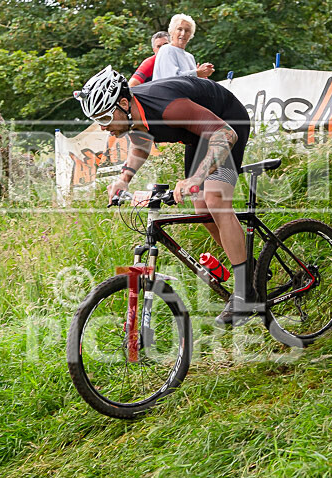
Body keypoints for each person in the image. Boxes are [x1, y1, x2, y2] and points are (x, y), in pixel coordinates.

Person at [73, 66, 253, 324]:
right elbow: (141, 144)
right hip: (198, 136)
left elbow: (225, 135)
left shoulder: (167, 107)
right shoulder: (133, 115)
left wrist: (195, 178)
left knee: (215, 198)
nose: (102, 127)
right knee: (201, 208)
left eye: (104, 118)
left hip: (225, 123)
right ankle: (248, 268)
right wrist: (123, 180)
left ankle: (245, 291)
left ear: (123, 103)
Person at [153, 14, 214, 81]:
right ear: (171, 31)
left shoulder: (190, 57)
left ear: (191, 35)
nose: (183, 33)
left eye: (187, 30)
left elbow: (191, 82)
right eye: (179, 29)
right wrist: (197, 73)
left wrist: (202, 73)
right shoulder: (166, 49)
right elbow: (171, 79)